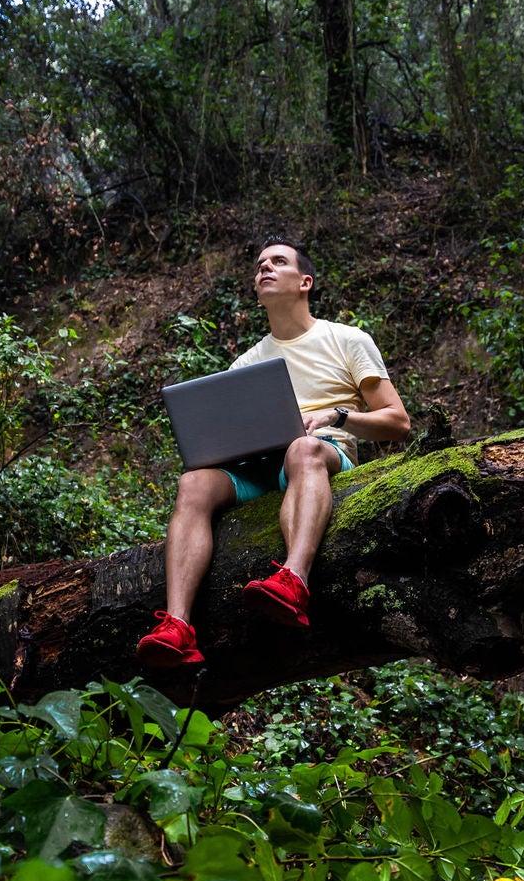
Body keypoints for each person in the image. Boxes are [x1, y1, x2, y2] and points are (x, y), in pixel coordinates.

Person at [137, 238, 410, 668]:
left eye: (277, 262)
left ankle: (294, 581)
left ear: (305, 282)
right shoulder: (247, 363)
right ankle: (178, 625)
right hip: (257, 465)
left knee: (302, 448)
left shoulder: (346, 340)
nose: (264, 268)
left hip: (319, 452)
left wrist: (337, 416)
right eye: (260, 264)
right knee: (193, 483)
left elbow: (398, 422)